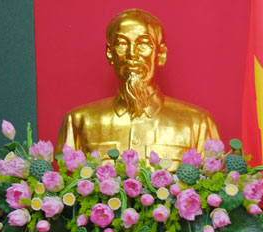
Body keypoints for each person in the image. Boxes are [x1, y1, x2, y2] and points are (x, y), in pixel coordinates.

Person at [57, 9, 219, 163]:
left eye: (143, 44)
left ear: (161, 55)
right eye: (121, 43)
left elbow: (213, 183)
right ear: (109, 53)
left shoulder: (198, 123)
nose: (132, 54)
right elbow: (65, 183)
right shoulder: (78, 121)